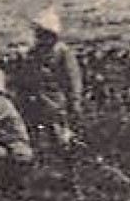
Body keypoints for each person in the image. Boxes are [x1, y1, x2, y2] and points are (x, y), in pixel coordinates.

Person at [13, 8, 82, 151]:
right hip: (37, 102)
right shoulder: (34, 52)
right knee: (39, 138)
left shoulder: (62, 52)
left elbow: (73, 79)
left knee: (60, 138)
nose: (38, 36)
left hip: (56, 103)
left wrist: (75, 102)